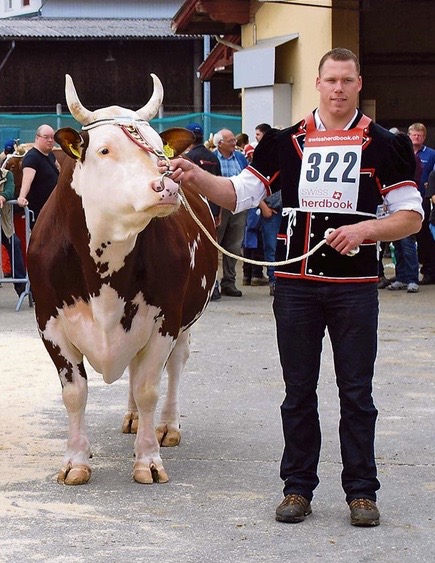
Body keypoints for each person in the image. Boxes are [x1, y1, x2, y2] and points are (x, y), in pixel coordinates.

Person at [160, 48, 423, 527]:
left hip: (354, 287)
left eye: (347, 80)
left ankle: (361, 493)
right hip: (296, 288)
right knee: (298, 392)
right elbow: (240, 194)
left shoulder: (386, 144)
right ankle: (297, 487)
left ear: (359, 84)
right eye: (331, 80)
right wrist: (196, 176)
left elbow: (411, 216)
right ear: (317, 83)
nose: (338, 89)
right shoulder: (285, 142)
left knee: (356, 393)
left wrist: (366, 230)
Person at [184, 122, 222, 301]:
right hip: (211, 208)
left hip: (192, 210)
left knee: (193, 249)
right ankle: (214, 285)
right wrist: (217, 212)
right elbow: (219, 183)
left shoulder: (187, 158)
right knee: (211, 248)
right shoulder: (212, 157)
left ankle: (197, 283)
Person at [213, 129, 249, 297]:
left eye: (234, 140)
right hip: (219, 206)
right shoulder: (213, 158)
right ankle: (213, 283)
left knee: (234, 245)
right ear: (220, 143)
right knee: (215, 244)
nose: (235, 143)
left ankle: (229, 282)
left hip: (238, 206)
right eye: (231, 141)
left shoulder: (240, 158)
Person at [387, 131, 422, 293]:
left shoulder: (412, 160)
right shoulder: (390, 160)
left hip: (406, 205)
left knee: (408, 245)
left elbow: (413, 182)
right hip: (391, 206)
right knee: (397, 245)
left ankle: (412, 279)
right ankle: (400, 277)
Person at [408, 122, 435, 284]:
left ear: (424, 137)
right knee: (404, 237)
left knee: (424, 234)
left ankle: (429, 270)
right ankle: (404, 273)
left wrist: (430, 185)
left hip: (423, 199)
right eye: (414, 134)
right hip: (405, 199)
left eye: (420, 135)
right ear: (409, 135)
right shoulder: (403, 151)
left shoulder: (431, 154)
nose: (417, 137)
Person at [17, 124, 60, 224]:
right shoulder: (32, 158)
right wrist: (22, 197)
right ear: (37, 138)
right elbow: (26, 182)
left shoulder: (50, 155)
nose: (50, 140)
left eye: (52, 137)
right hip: (38, 213)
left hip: (52, 209)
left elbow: (59, 170)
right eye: (46, 137)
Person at [0, 167, 26, 296]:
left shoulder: (7, 175)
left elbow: (10, 191)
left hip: (4, 223)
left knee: (15, 244)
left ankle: (21, 286)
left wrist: (2, 197)